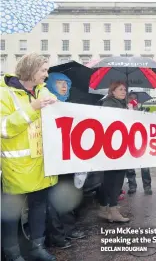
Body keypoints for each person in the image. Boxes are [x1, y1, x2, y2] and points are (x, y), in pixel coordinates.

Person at [1, 53, 58, 261]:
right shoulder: (4, 93)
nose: (47, 74)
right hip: (16, 166)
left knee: (38, 208)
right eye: (43, 70)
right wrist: (32, 109)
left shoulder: (43, 90)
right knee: (10, 214)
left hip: (42, 163)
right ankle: (13, 254)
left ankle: (37, 247)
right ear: (31, 70)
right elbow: (4, 128)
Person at [44, 72, 86, 250]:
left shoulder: (66, 105)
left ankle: (69, 229)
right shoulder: (46, 105)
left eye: (66, 84)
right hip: (52, 158)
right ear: (51, 84)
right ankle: (57, 236)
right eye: (60, 83)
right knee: (53, 199)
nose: (64, 87)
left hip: (66, 158)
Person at [97, 81, 131, 223]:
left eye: (125, 90)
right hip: (112, 148)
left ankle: (106, 209)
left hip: (120, 147)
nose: (124, 92)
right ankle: (112, 209)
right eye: (120, 89)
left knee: (114, 179)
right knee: (113, 180)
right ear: (113, 91)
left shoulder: (121, 104)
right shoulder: (109, 104)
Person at [125, 93, 153, 195]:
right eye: (131, 98)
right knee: (129, 166)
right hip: (128, 141)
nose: (133, 100)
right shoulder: (123, 110)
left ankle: (147, 186)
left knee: (145, 166)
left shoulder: (141, 111)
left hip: (141, 142)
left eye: (135, 98)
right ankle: (132, 186)